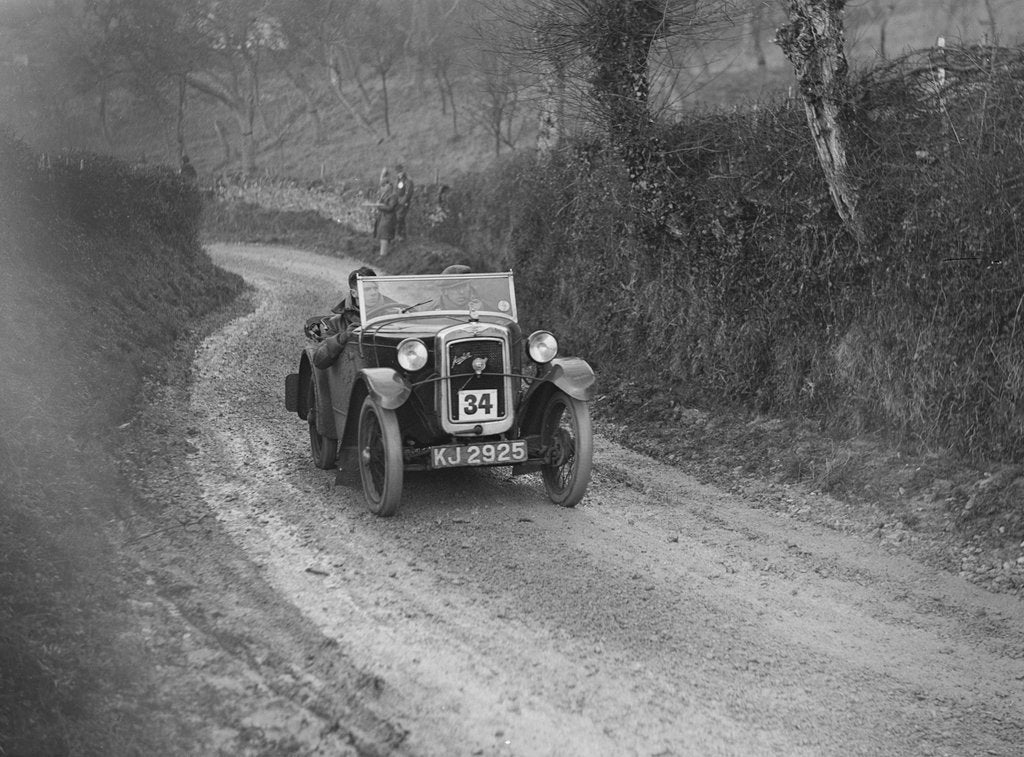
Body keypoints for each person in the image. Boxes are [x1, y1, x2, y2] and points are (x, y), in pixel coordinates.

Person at [314, 267, 376, 368]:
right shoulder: (337, 322)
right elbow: (319, 360)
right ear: (354, 293)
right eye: (367, 289)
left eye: (375, 288)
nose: (374, 292)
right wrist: (344, 336)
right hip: (354, 371)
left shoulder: (392, 313)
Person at [372, 169, 399, 257]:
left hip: (389, 218)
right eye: (382, 186)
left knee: (384, 236)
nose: (382, 188)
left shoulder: (393, 195)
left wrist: (379, 206)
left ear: (389, 185)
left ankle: (383, 255)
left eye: (384, 186)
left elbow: (390, 207)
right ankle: (382, 253)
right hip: (383, 217)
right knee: (381, 235)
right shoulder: (385, 194)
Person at [394, 164, 414, 240]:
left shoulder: (407, 180)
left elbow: (408, 192)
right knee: (399, 218)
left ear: (403, 171)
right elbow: (395, 191)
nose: (399, 173)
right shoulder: (397, 180)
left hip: (404, 202)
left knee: (400, 217)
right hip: (398, 201)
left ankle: (400, 235)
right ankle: (402, 235)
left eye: (401, 171)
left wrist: (403, 201)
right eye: (398, 172)